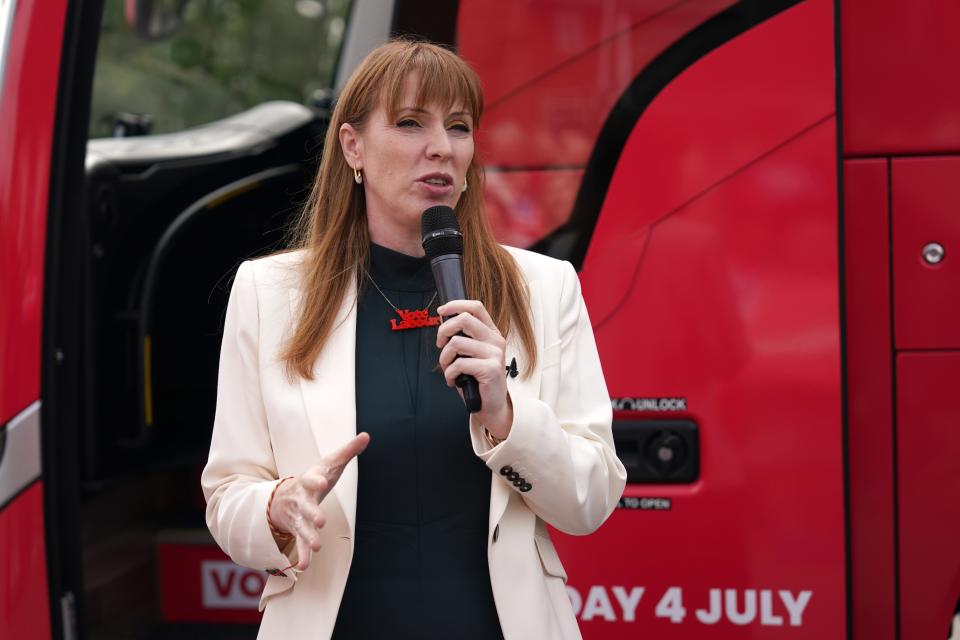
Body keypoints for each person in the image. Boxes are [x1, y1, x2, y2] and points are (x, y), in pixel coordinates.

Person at [201, 39, 626, 640]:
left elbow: (591, 501)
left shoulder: (543, 287)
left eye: (459, 127)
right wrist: (275, 509)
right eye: (409, 123)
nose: (441, 148)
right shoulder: (269, 293)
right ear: (353, 146)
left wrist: (507, 416)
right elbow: (226, 497)